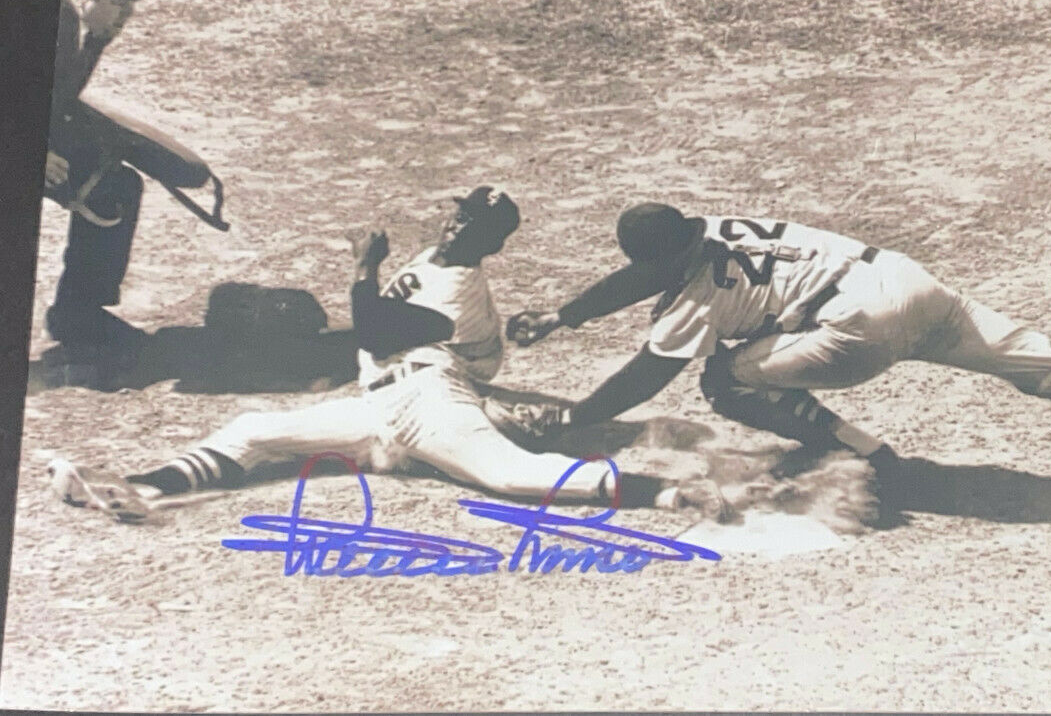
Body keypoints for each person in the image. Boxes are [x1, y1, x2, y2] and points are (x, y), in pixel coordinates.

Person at [47, 187, 723, 523]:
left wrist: (364, 268)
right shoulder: (436, 256)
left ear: (492, 244)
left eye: (474, 225)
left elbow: (373, 334)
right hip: (378, 404)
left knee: (507, 476)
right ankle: (137, 489)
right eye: (458, 213)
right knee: (252, 431)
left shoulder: (458, 288)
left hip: (432, 402)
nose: (456, 225)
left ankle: (661, 492)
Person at [503, 203, 1051, 487]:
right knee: (1047, 361)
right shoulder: (710, 225)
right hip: (909, 283)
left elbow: (643, 378)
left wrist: (574, 417)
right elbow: (640, 275)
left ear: (668, 254)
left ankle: (870, 457)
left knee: (725, 382)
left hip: (856, 333)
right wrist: (566, 316)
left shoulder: (695, 297)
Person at [42, 0, 153, 356]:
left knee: (115, 186)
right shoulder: (49, 20)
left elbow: (59, 96)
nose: (127, 15)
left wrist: (97, 43)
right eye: (119, 4)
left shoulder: (79, 23)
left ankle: (78, 313)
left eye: (131, 6)